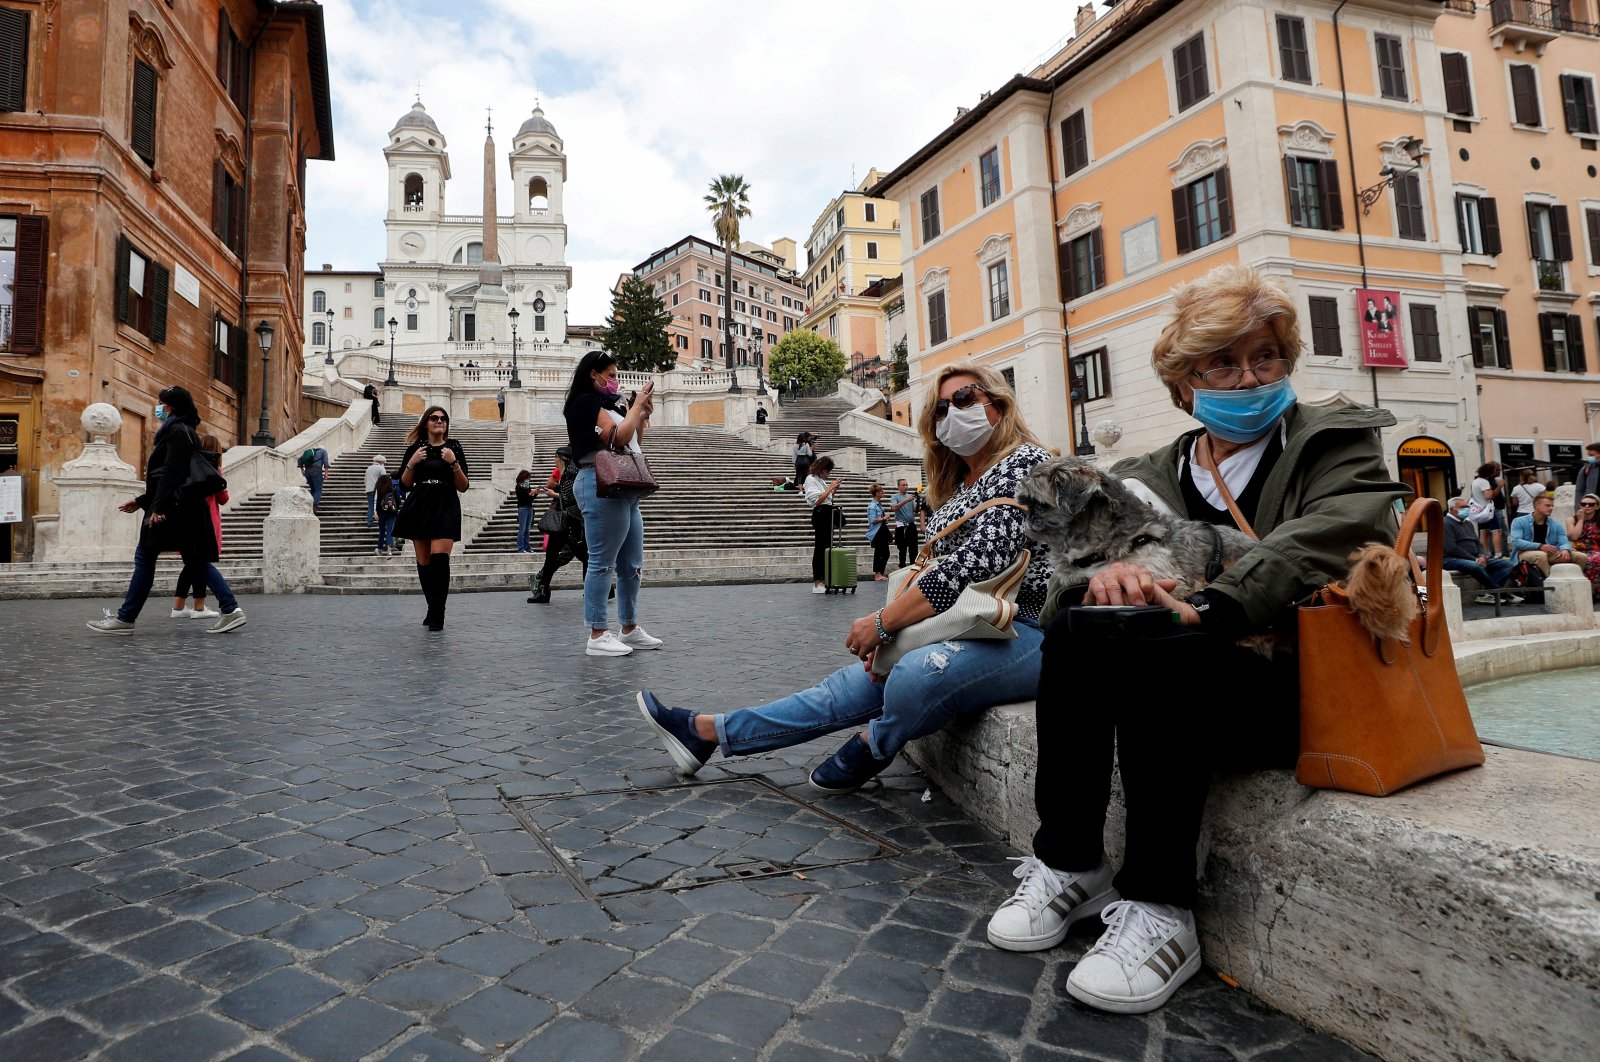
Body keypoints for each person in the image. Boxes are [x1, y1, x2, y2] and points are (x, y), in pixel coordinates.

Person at [986, 265, 1408, 1016]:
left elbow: (1329, 535)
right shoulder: (1147, 473)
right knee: (1082, 630)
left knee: (1166, 645)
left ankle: (1160, 909)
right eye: (1222, 362)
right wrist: (1101, 584)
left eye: (1265, 357)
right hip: (1177, 685)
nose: (1247, 377)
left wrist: (1210, 605)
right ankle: (1070, 861)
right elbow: (1057, 582)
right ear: (1186, 382)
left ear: (1285, 363)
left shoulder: (1334, 443)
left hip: (1296, 680)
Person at [638, 362, 1055, 793]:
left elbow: (978, 561)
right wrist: (893, 631)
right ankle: (706, 732)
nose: (951, 413)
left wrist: (883, 624)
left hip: (1022, 629)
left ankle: (876, 742)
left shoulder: (1026, 461)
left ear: (998, 403)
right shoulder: (958, 483)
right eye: (940, 409)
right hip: (958, 626)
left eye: (964, 399)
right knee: (842, 690)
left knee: (916, 674)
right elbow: (934, 570)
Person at [89, 386, 249, 635]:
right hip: (181, 507)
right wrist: (142, 501)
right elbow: (173, 474)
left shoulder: (175, 431)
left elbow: (172, 473)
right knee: (195, 561)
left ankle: (125, 619)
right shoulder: (185, 431)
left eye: (161, 403)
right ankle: (230, 609)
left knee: (146, 559)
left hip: (172, 510)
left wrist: (156, 507)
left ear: (171, 407)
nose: (158, 407)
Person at [563, 350, 662, 656]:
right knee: (602, 561)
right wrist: (634, 407)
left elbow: (632, 443)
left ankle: (629, 628)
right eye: (612, 374)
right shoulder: (584, 404)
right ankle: (597, 632)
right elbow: (615, 439)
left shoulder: (611, 405)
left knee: (632, 564)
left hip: (624, 486)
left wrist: (640, 416)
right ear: (594, 374)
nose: (616, 380)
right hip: (598, 483)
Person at [394, 406, 470, 631]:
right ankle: (431, 606)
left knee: (440, 559)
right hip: (420, 503)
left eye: (443, 419)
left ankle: (439, 613)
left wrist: (453, 462)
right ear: (426, 422)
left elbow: (464, 486)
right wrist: (412, 462)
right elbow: (405, 484)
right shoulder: (416, 448)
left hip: (445, 502)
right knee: (424, 562)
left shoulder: (454, 447)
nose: (439, 422)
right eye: (435, 418)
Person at [171, 433, 227, 620]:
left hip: (186, 519)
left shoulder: (189, 465)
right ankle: (199, 607)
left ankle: (178, 606)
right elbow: (223, 498)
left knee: (191, 564)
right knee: (201, 562)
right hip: (206, 521)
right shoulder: (214, 468)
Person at [529, 446, 590, 604]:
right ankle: (543, 591)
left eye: (556, 457)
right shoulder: (567, 473)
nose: (554, 460)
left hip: (571, 522)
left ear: (562, 458)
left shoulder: (571, 473)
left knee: (585, 557)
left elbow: (572, 497)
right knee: (551, 558)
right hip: (563, 522)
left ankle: (599, 589)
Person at [1443, 497, 1519, 604]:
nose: (1466, 509)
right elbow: (1451, 548)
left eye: (1467, 507)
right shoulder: (1445, 523)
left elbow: (1478, 543)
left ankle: (1487, 593)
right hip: (1452, 559)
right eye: (1462, 507)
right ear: (1451, 509)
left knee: (1507, 564)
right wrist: (1475, 559)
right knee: (1475, 566)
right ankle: (1500, 593)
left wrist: (1482, 555)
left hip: (1474, 558)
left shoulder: (1468, 523)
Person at [1510, 491, 1585, 577]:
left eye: (1552, 506)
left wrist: (1565, 549)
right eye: (1547, 505)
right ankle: (1549, 582)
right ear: (1537, 506)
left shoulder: (1556, 524)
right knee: (1540, 556)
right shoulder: (1519, 521)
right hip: (1525, 553)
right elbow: (1516, 542)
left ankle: (1575, 581)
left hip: (1550, 553)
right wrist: (1540, 546)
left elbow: (1564, 541)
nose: (1551, 508)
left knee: (1581, 557)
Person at [805, 456, 842, 593]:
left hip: (827, 513)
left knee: (827, 547)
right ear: (821, 469)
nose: (828, 474)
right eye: (827, 471)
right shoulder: (811, 480)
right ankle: (817, 581)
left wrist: (834, 489)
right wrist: (831, 487)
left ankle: (826, 579)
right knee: (820, 548)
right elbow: (817, 501)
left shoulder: (820, 481)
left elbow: (828, 498)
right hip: (820, 514)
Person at [1567, 493, 1600, 600]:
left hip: (1597, 549)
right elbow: (1574, 537)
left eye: (1591, 504)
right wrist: (1581, 520)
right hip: (1578, 550)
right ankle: (1593, 591)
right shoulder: (1572, 520)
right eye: (1583, 504)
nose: (1586, 506)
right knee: (1594, 559)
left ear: (1597, 506)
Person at [1468, 462, 1504, 558]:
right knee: (1496, 531)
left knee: (1483, 532)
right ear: (1489, 472)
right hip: (1487, 510)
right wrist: (1498, 487)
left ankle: (1485, 553)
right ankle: (1498, 553)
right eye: (1493, 471)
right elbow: (1488, 496)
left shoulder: (1475, 481)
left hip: (1479, 510)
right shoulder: (1484, 482)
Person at [890, 478, 922, 568]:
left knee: (914, 549)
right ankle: (902, 567)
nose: (905, 487)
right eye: (903, 485)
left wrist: (918, 500)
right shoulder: (895, 497)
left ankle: (913, 566)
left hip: (911, 525)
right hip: (901, 526)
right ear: (898, 487)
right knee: (902, 549)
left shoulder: (910, 497)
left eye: (906, 485)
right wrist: (905, 501)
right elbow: (894, 508)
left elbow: (916, 511)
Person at [866, 483, 892, 581]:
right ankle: (877, 574)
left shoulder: (879, 505)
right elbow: (873, 520)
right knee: (880, 552)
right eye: (881, 491)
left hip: (882, 530)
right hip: (877, 532)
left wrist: (884, 519)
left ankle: (880, 572)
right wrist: (884, 518)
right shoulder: (872, 505)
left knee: (885, 552)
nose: (883, 492)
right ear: (877, 493)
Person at [375, 473, 399, 555]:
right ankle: (389, 547)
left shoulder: (379, 491)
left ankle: (380, 548)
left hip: (381, 513)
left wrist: (376, 513)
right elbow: (397, 501)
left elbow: (378, 503)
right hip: (392, 513)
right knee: (390, 530)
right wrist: (396, 510)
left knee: (382, 531)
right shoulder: (393, 489)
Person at [299, 445, 330, 510]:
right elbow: (326, 463)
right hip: (316, 471)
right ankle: (314, 505)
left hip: (307, 473)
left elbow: (299, 459)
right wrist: (326, 474)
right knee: (318, 489)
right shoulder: (323, 452)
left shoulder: (312, 452)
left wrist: (302, 470)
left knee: (313, 489)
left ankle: (309, 505)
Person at [514, 470, 537, 553]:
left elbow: (530, 499)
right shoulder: (518, 486)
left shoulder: (527, 486)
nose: (528, 480)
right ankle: (520, 548)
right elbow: (522, 498)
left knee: (527, 529)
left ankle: (527, 547)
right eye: (527, 478)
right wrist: (531, 493)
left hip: (529, 508)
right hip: (523, 508)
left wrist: (535, 493)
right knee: (522, 529)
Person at [364, 454, 387, 527]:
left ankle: (370, 521)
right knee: (379, 504)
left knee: (370, 505)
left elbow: (365, 479)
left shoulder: (368, 468)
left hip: (369, 489)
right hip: (377, 489)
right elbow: (384, 478)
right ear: (381, 462)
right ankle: (380, 519)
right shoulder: (381, 468)